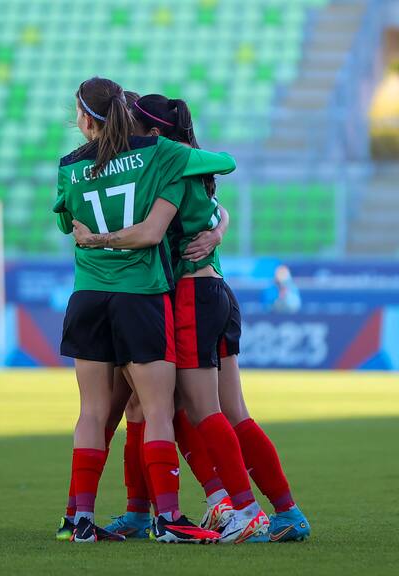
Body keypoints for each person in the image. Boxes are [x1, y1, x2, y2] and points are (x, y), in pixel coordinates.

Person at [72, 94, 312, 543]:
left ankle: (236, 506)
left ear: (156, 135)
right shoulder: (183, 164)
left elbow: (151, 231)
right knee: (195, 408)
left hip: (187, 293)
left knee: (182, 408)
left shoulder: (162, 162)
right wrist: (219, 230)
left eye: (136, 126)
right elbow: (221, 207)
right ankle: (284, 512)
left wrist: (95, 239)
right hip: (215, 288)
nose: (129, 133)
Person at [54, 77, 237, 543]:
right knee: (156, 407)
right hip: (141, 293)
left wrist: (94, 236)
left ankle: (80, 521)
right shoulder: (159, 153)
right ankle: (169, 518)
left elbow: (64, 219)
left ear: (84, 119)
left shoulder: (68, 166)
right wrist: (217, 225)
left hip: (88, 294)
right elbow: (224, 164)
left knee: (93, 410)